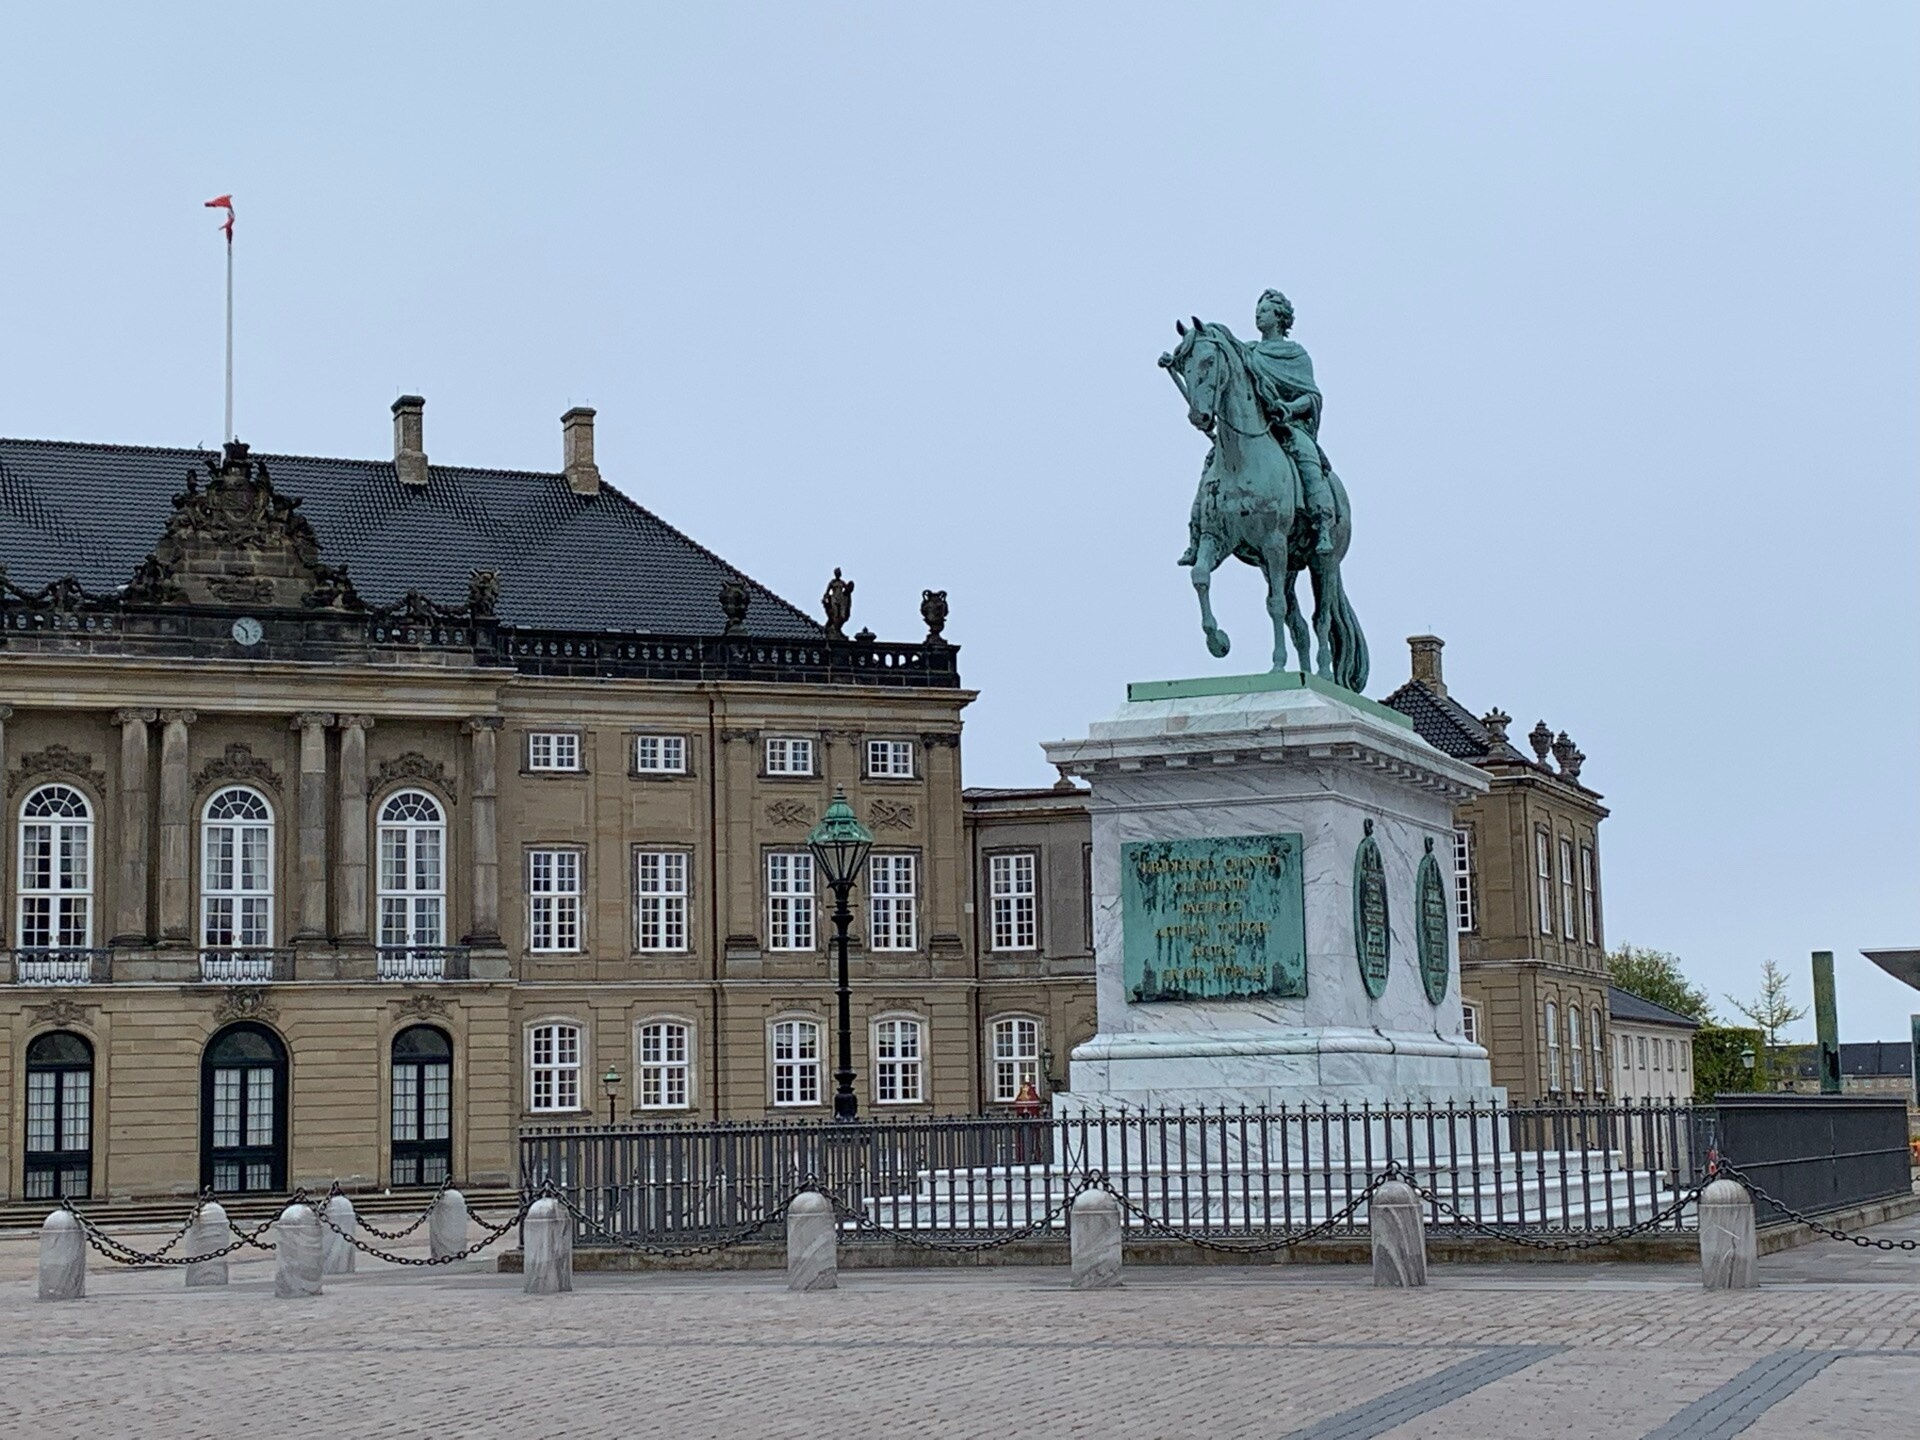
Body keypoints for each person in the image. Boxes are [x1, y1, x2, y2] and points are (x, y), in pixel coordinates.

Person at [1177, 289, 1338, 565]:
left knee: (1306, 453)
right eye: (1257, 309)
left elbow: (1311, 397)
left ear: (1279, 318)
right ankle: (1197, 534)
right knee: (1211, 463)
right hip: (1253, 426)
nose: (1258, 313)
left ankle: (1322, 522)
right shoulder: (1248, 351)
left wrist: (1288, 408)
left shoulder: (1296, 354)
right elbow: (1214, 359)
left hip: (1287, 424)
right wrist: (1180, 359)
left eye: (1264, 309)